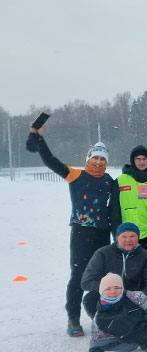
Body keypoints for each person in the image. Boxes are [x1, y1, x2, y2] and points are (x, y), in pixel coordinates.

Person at [25, 125, 114, 337]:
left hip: (102, 233)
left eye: (103, 159)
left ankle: (100, 314)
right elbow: (50, 161)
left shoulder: (109, 181)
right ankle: (73, 317)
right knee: (78, 275)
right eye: (95, 158)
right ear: (88, 159)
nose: (99, 162)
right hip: (81, 232)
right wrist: (38, 138)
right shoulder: (75, 175)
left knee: (102, 276)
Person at [81, 222, 147, 318]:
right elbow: (86, 282)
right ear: (117, 237)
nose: (128, 240)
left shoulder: (146, 256)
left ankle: (142, 325)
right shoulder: (102, 253)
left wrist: (140, 295)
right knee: (90, 299)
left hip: (135, 296)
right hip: (109, 295)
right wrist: (109, 289)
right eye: (124, 236)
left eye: (132, 236)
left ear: (138, 237)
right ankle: (105, 324)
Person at [110, 145, 147, 269]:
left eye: (144, 159)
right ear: (133, 160)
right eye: (138, 159)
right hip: (127, 237)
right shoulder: (120, 181)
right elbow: (114, 211)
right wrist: (117, 235)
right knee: (129, 276)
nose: (141, 162)